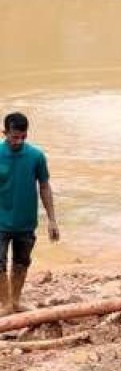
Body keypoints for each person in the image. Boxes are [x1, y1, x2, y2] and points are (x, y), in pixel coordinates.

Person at [0, 114, 58, 316]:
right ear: (5, 133)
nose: (19, 141)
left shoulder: (36, 156)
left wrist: (52, 220)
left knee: (21, 262)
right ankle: (5, 305)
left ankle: (15, 301)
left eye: (23, 137)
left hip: (26, 222)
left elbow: (44, 186)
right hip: (1, 222)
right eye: (14, 137)